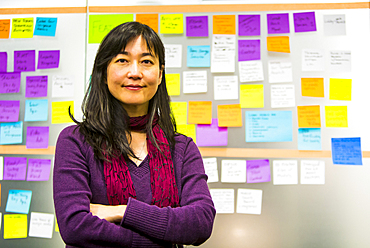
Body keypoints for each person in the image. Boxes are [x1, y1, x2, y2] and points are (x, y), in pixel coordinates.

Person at [53, 21, 216, 248]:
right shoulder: (76, 141)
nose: (135, 72)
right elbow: (74, 226)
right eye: (122, 60)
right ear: (103, 72)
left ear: (160, 76)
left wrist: (122, 211)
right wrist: (159, 240)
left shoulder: (182, 148)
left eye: (146, 62)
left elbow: (200, 223)